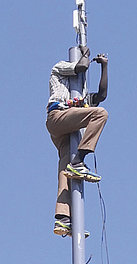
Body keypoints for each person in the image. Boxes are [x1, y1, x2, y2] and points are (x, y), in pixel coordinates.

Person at [47, 48, 108, 237]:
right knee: (100, 114)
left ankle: (63, 218)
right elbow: (81, 67)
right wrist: (85, 52)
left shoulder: (79, 95)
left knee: (64, 168)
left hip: (69, 126)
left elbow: (101, 96)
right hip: (57, 116)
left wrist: (105, 67)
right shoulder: (59, 68)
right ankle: (79, 161)